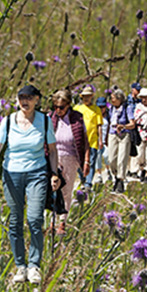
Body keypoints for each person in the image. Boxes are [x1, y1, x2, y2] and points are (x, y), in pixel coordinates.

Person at [0, 85, 59, 285]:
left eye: (29, 97)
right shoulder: (8, 120)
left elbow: (52, 150)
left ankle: (34, 265)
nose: (24, 101)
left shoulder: (44, 121)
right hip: (12, 174)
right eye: (21, 97)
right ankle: (20, 266)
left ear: (37, 99)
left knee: (35, 218)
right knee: (15, 220)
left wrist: (54, 173)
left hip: (37, 173)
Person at [49, 89, 88, 235]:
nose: (58, 110)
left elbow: (85, 141)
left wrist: (86, 161)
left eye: (62, 107)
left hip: (70, 158)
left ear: (68, 105)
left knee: (66, 191)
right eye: (56, 107)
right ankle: (52, 220)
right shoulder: (51, 118)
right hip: (54, 157)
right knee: (53, 189)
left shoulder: (77, 119)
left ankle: (62, 222)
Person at [73, 86, 103, 191]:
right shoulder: (77, 108)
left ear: (92, 97)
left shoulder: (96, 109)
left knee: (91, 161)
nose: (86, 98)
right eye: (84, 96)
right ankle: (83, 179)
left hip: (92, 140)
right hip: (80, 140)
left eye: (88, 96)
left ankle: (88, 183)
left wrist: (100, 140)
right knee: (79, 162)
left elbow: (99, 125)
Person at [106, 89, 135, 193]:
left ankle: (120, 180)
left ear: (120, 99)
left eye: (113, 98)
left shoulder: (127, 108)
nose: (111, 100)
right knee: (111, 159)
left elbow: (132, 124)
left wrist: (123, 126)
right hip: (113, 134)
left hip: (124, 134)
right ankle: (116, 176)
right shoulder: (111, 109)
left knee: (122, 158)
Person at [93, 96, 110, 185]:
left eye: (103, 107)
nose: (101, 109)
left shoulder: (109, 116)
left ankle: (108, 170)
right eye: (99, 107)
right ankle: (99, 174)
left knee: (107, 156)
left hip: (106, 141)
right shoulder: (95, 116)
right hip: (97, 141)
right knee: (98, 158)